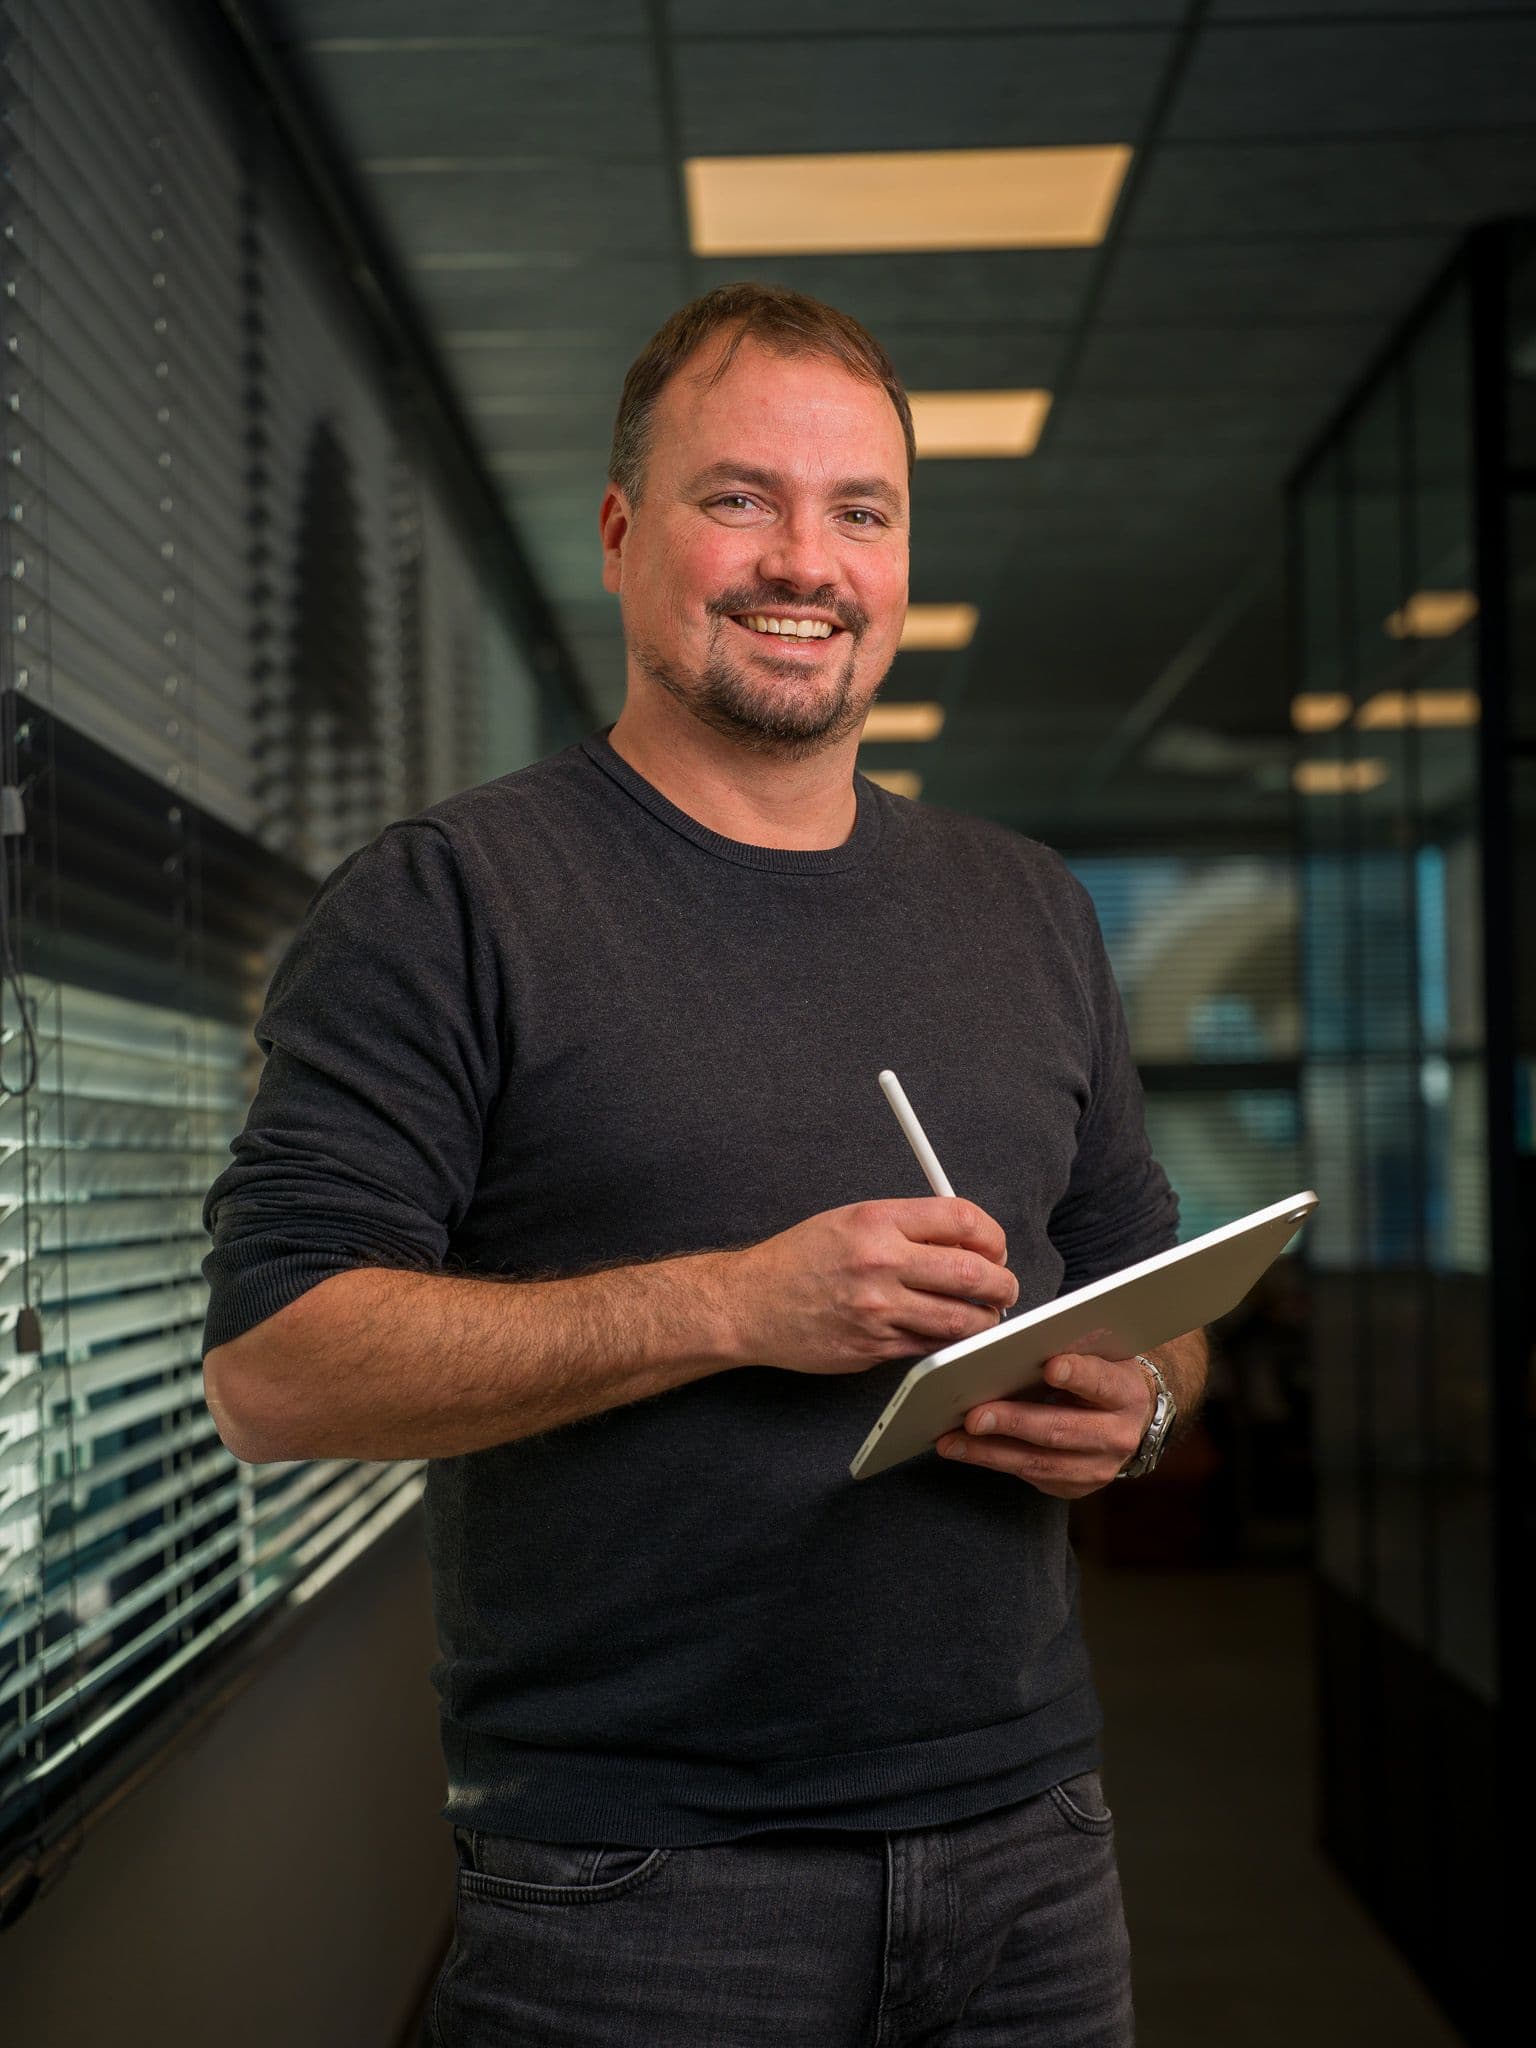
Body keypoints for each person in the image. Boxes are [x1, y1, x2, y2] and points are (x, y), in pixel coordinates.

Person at [201, 282, 1208, 2048]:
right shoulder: (448, 905)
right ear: (619, 531)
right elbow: (277, 1373)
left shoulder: (1030, 906)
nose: (804, 560)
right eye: (739, 497)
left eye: (861, 511)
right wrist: (738, 1304)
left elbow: (1152, 1287)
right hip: (638, 1892)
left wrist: (1139, 1406)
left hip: (1034, 1849)